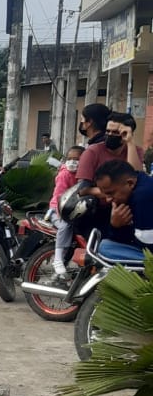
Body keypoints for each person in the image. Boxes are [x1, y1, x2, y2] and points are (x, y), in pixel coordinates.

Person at [53, 104, 112, 275]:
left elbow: (83, 188)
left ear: (89, 122)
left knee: (98, 254)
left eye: (82, 119)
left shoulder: (94, 149)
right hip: (101, 208)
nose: (81, 123)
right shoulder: (102, 147)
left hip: (97, 210)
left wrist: (105, 193)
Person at [92, 159, 153, 253]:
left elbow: (147, 246)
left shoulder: (142, 197)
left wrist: (116, 227)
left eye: (110, 193)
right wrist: (117, 226)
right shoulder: (140, 180)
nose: (108, 199)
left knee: (105, 249)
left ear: (130, 183)